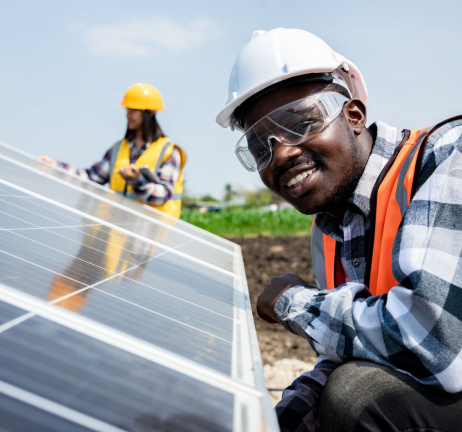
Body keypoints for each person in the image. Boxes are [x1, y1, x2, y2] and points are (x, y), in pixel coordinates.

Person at [216, 28, 462, 432]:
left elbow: (434, 340)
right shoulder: (329, 228)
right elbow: (344, 356)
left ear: (354, 115)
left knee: (355, 396)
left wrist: (293, 302)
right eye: (260, 145)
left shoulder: (445, 156)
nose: (282, 153)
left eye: (300, 122)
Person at [36, 83, 186, 217]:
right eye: (127, 109)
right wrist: (55, 167)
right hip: (116, 237)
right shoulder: (117, 149)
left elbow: (163, 195)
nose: (128, 115)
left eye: (134, 110)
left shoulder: (169, 152)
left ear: (150, 113)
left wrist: (136, 180)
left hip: (150, 240)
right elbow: (91, 177)